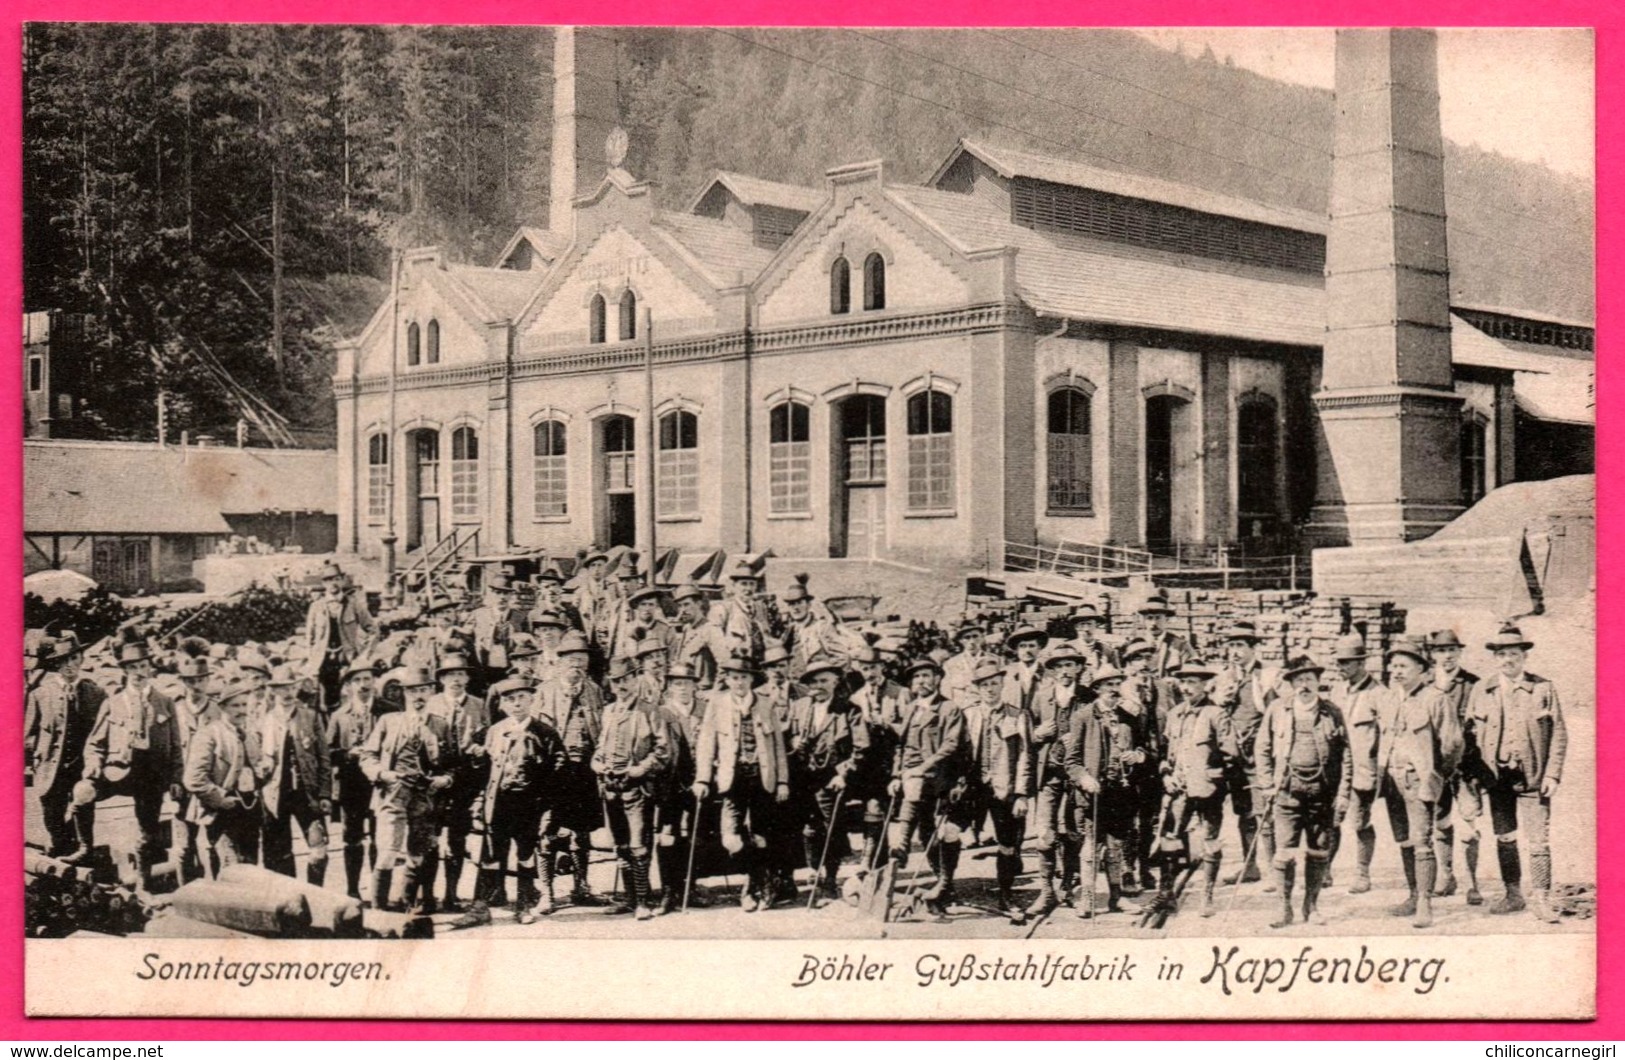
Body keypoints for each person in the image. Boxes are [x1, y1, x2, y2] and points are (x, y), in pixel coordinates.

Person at [1468, 624, 1568, 923]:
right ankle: (1513, 894)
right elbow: (1470, 738)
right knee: (1505, 837)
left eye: (1513, 654)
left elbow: (1559, 735)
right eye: (1501, 655)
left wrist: (1552, 775)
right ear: (1494, 659)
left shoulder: (1543, 688)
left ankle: (1541, 898)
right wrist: (1475, 777)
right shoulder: (1481, 690)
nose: (1507, 660)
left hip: (1533, 777)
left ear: (1523, 657)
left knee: (1538, 839)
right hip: (1496, 779)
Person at [455, 675, 566, 926]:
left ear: (531, 700)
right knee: (490, 855)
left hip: (528, 806)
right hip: (499, 805)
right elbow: (484, 770)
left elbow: (558, 772)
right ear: (502, 704)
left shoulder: (545, 733)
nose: (517, 704)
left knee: (525, 856)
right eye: (510, 699)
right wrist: (480, 802)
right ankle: (480, 908)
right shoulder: (494, 731)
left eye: (521, 698)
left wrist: (547, 808)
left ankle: (523, 905)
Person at [1255, 656, 1353, 928]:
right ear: (1291, 684)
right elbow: (1262, 748)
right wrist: (1266, 784)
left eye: (1310, 679)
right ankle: (1283, 908)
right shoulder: (1277, 709)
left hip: (1322, 794)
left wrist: (1343, 794)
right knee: (1283, 853)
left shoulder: (1332, 712)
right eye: (1299, 680)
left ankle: (1311, 906)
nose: (1304, 685)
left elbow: (1346, 755)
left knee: (1318, 851)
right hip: (1286, 793)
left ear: (1318, 682)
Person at [693, 653, 790, 912]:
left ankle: (752, 888)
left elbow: (778, 747)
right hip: (731, 780)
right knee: (732, 840)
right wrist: (702, 778)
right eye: (734, 678)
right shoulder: (718, 703)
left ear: (751, 679)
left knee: (760, 837)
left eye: (744, 677)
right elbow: (706, 744)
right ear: (727, 679)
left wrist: (782, 781)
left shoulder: (766, 704)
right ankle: (761, 878)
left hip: (762, 778)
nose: (739, 683)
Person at [1378, 637, 1464, 929]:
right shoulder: (1389, 698)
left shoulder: (1436, 699)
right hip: (1392, 779)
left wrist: (1435, 775)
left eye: (1404, 665)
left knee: (1423, 842)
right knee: (1403, 839)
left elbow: (1452, 744)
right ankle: (1413, 895)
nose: (1397, 671)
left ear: (1421, 669)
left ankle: (1425, 903)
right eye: (1393, 665)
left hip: (1419, 780)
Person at [81, 640, 185, 879]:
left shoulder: (165, 702)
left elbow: (176, 747)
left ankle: (143, 882)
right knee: (82, 793)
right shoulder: (113, 702)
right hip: (116, 772)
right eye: (132, 667)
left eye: (143, 665)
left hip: (152, 774)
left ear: (150, 668)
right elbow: (94, 744)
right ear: (125, 670)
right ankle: (84, 850)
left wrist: (176, 778)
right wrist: (93, 764)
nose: (138, 672)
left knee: (146, 832)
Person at [358, 664, 453, 912]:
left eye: (423, 690)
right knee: (388, 853)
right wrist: (382, 774)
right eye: (413, 691)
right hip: (392, 795)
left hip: (424, 797)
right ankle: (378, 913)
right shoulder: (388, 721)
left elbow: (452, 765)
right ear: (404, 694)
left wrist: (445, 779)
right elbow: (367, 756)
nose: (418, 696)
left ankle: (406, 905)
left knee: (418, 855)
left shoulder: (440, 725)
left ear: (432, 692)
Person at [887, 657, 970, 921]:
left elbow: (951, 746)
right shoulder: (912, 708)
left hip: (943, 778)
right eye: (916, 677)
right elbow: (901, 746)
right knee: (926, 836)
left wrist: (923, 767)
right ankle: (941, 883)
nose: (921, 682)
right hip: (914, 778)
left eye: (926, 676)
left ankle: (904, 844)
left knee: (944, 833)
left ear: (937, 679)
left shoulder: (949, 708)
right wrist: (896, 774)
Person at [786, 654, 870, 907]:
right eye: (813, 683)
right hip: (801, 778)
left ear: (835, 682)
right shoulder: (800, 707)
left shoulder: (849, 710)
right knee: (808, 829)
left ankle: (830, 881)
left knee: (830, 828)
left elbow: (861, 747)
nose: (818, 687)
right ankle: (814, 874)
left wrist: (843, 773)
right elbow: (787, 737)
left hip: (831, 779)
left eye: (823, 681)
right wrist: (793, 743)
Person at [593, 657, 673, 920]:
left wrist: (642, 768)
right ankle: (629, 898)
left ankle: (642, 901)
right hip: (611, 786)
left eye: (626, 679)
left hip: (637, 787)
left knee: (639, 844)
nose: (622, 685)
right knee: (621, 845)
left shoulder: (651, 711)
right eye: (617, 681)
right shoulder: (608, 712)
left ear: (636, 679)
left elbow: (663, 751)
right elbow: (599, 749)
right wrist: (597, 763)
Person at [1067, 665, 1149, 918]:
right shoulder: (1083, 717)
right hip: (1094, 792)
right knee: (1092, 847)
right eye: (1108, 685)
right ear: (1097, 689)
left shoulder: (1129, 716)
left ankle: (1117, 898)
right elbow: (1071, 761)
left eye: (1117, 684)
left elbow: (1145, 748)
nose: (1114, 689)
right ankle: (1088, 899)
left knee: (1115, 846)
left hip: (1121, 791)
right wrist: (1085, 778)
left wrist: (1138, 756)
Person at [533, 630, 608, 907]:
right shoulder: (544, 691)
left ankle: (581, 886)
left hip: (586, 770)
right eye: (571, 659)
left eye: (582, 660)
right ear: (560, 661)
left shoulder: (594, 691)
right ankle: (547, 892)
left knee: (582, 830)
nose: (577, 666)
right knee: (548, 830)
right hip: (554, 772)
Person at [1158, 659, 1233, 917]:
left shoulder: (1217, 714)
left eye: (1192, 682)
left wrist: (1218, 782)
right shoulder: (1174, 714)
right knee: (1170, 838)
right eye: (1183, 681)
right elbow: (1165, 754)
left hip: (1208, 789)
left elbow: (1231, 755)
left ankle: (1207, 896)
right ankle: (1166, 893)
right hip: (1179, 788)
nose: (1186, 687)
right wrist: (1167, 775)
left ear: (1205, 684)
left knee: (1210, 841)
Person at [24, 634, 106, 861]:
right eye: (63, 661)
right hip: (50, 765)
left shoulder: (96, 693)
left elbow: (103, 730)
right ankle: (59, 848)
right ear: (56, 664)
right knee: (52, 811)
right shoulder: (40, 695)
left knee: (83, 806)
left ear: (81, 659)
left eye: (74, 658)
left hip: (81, 764)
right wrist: (34, 757)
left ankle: (83, 850)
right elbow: (26, 734)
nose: (69, 665)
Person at [1213, 620, 1280, 888]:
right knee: (1243, 813)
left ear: (1254, 648)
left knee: (1264, 814)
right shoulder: (1224, 678)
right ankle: (1250, 866)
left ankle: (1275, 870)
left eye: (1240, 645)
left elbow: (1276, 715)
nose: (1235, 652)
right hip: (1234, 757)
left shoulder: (1266, 677)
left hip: (1259, 756)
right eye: (1231, 646)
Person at [965, 658, 1033, 923]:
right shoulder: (969, 715)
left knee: (1007, 843)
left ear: (1002, 684)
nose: (990, 689)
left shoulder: (1017, 716)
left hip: (1003, 789)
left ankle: (1005, 894)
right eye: (984, 685)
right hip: (973, 788)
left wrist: (1021, 794)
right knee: (950, 831)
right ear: (977, 688)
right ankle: (946, 885)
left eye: (994, 683)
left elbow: (1026, 756)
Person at [1025, 642, 1090, 917]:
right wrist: (1038, 734)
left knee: (1074, 832)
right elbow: (1026, 733)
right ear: (1051, 671)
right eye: (1059, 666)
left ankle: (1067, 886)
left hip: (1076, 775)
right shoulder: (1041, 697)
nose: (1065, 671)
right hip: (1049, 774)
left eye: (1070, 665)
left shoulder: (1088, 697)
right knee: (1045, 835)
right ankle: (1046, 892)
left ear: (1078, 668)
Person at [254, 665, 331, 886]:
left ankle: (315, 895)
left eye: (290, 688)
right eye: (281, 689)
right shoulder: (264, 720)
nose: (287, 694)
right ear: (273, 691)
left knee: (319, 850)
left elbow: (324, 758)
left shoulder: (311, 717)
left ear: (297, 687)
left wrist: (325, 793)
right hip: (274, 795)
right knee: (279, 855)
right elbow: (254, 755)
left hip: (307, 794)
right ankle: (291, 902)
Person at [427, 653, 489, 913]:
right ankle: (427, 896)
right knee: (429, 838)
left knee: (457, 839)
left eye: (461, 674)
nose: (456, 680)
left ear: (467, 678)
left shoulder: (478, 705)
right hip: (434, 779)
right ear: (441, 679)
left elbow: (486, 738)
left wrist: (479, 748)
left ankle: (451, 895)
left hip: (464, 780)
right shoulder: (430, 705)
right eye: (450, 675)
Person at [183, 676, 263, 871]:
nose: (242, 710)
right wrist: (220, 798)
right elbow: (193, 778)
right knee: (231, 867)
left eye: (244, 705)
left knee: (251, 866)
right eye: (235, 706)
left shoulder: (250, 735)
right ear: (223, 708)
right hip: (223, 813)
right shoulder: (209, 734)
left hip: (249, 810)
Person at [1427, 629, 1483, 903]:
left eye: (1452, 651)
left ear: (1459, 653)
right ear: (1432, 654)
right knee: (1440, 821)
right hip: (1435, 766)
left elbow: (1481, 728)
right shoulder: (1426, 684)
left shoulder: (1473, 684)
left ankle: (1473, 883)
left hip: (1465, 766)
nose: (1446, 656)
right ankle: (1446, 876)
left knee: (1469, 823)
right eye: (1440, 651)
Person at [1327, 635, 1385, 894]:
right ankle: (1324, 869)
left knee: (1359, 821)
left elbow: (1386, 736)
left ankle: (1362, 872)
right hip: (1335, 769)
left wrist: (1379, 774)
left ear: (1362, 663)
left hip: (1363, 770)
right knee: (1330, 819)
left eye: (1346, 663)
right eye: (1338, 662)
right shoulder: (1337, 690)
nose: (1341, 668)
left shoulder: (1379, 694)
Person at [326, 655, 383, 899]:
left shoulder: (388, 710)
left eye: (367, 679)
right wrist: (349, 754)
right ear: (348, 686)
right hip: (352, 787)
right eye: (357, 680)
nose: (363, 684)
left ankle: (378, 892)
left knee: (380, 838)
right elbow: (327, 753)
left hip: (380, 784)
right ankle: (352, 891)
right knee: (353, 839)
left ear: (374, 681)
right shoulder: (339, 716)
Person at [651, 662, 706, 912]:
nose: (683, 689)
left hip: (700, 780)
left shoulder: (706, 710)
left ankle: (689, 887)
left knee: (693, 834)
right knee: (667, 835)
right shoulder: (661, 712)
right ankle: (668, 891)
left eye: (687, 683)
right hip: (670, 783)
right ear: (670, 687)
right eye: (677, 684)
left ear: (696, 685)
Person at [170, 654, 219, 881]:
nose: (196, 686)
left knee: (214, 843)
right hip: (182, 787)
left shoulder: (218, 711)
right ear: (183, 682)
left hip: (210, 784)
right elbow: (169, 748)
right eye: (190, 681)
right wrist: (174, 779)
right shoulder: (174, 709)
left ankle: (220, 895)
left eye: (200, 680)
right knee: (184, 846)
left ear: (208, 681)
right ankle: (187, 894)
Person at [303, 562, 376, 713]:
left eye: (336, 578)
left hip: (346, 659)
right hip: (322, 660)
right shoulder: (316, 607)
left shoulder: (354, 604)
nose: (333, 583)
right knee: (320, 702)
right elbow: (309, 637)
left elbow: (373, 630)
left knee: (347, 699)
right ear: (324, 583)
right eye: (328, 580)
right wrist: (312, 658)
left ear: (342, 580)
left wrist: (364, 655)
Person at [1138, 591, 1193, 679]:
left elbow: (1193, 673)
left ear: (1166, 619)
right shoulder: (1136, 645)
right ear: (1144, 620)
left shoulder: (1180, 645)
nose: (1154, 623)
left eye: (1158, 618)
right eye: (1149, 618)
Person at [1001, 625, 1049, 719]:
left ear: (1039, 648)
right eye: (1022, 646)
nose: (1027, 650)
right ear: (1016, 650)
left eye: (1032, 646)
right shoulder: (1005, 674)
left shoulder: (1049, 676)